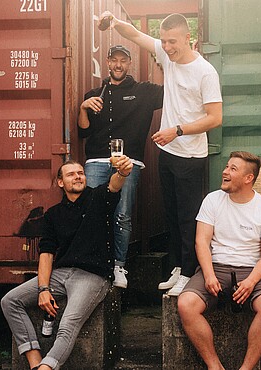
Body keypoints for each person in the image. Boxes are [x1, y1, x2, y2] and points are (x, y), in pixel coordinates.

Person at [99, 12, 223, 296]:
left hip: (190, 156)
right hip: (168, 153)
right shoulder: (168, 57)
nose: (166, 48)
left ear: (188, 38)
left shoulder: (205, 72)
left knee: (187, 217)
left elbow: (215, 118)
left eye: (172, 42)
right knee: (171, 214)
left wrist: (177, 130)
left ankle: (190, 273)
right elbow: (135, 35)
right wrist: (115, 22)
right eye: (164, 41)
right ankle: (178, 268)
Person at [1, 156, 133, 370]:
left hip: (93, 276)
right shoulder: (53, 214)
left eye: (80, 173)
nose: (78, 176)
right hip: (60, 275)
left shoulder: (98, 198)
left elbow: (114, 184)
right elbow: (46, 253)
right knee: (10, 301)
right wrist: (43, 288)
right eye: (71, 174)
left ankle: (47, 368)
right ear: (61, 182)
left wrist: (123, 172)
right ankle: (35, 362)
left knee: (68, 324)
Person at [177, 151, 261, 370]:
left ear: (248, 178)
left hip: (251, 270)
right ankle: (214, 366)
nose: (225, 171)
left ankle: (246, 368)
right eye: (226, 167)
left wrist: (252, 281)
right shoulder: (212, 200)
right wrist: (208, 274)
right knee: (186, 305)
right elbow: (201, 242)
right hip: (216, 267)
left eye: (233, 169)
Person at [78, 44, 163, 289]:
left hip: (129, 162)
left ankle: (118, 266)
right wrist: (84, 107)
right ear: (107, 62)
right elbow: (83, 131)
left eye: (123, 61)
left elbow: (176, 91)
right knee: (92, 213)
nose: (118, 65)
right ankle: (94, 264)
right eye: (114, 60)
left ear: (129, 64)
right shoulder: (94, 94)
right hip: (96, 161)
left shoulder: (144, 91)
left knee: (122, 215)